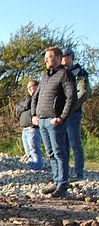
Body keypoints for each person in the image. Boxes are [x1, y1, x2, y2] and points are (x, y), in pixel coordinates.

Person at [32, 47, 77, 198]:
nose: (46, 60)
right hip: (42, 120)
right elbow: (35, 97)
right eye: (45, 57)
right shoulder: (45, 76)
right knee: (50, 153)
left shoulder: (65, 74)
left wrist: (62, 117)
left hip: (54, 121)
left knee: (60, 153)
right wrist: (34, 114)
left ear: (58, 58)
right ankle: (56, 180)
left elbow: (72, 98)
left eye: (49, 57)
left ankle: (63, 185)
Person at [61, 48, 92, 180]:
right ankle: (64, 173)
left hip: (73, 113)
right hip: (60, 114)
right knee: (63, 145)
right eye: (61, 56)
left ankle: (78, 173)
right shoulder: (60, 73)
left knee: (75, 143)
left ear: (72, 56)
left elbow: (84, 93)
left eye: (66, 55)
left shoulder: (80, 72)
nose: (63, 58)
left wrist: (70, 107)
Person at [15, 80, 44, 170]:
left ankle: (37, 168)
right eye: (28, 88)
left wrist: (23, 105)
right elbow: (18, 107)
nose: (30, 89)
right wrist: (24, 105)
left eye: (32, 86)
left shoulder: (40, 97)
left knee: (34, 150)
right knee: (28, 151)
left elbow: (27, 104)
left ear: (37, 86)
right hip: (25, 129)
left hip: (33, 128)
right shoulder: (27, 97)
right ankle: (33, 167)